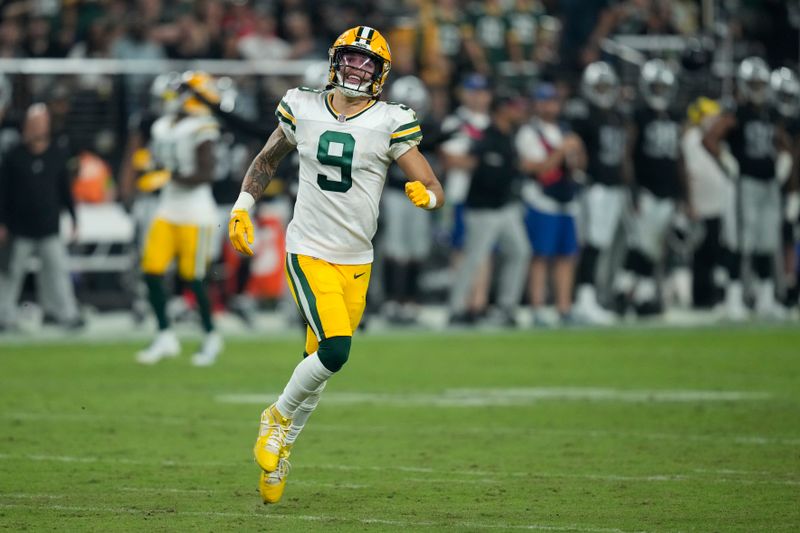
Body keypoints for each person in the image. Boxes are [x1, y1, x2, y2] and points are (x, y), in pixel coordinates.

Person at [227, 26, 444, 504]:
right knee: (337, 350)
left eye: (367, 62)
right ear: (335, 60)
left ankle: (283, 450)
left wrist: (425, 196)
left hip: (357, 259)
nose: (356, 68)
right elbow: (266, 160)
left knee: (318, 365)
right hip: (308, 249)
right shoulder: (301, 106)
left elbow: (431, 182)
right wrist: (243, 204)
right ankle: (277, 417)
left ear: (381, 73)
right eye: (351, 58)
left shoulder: (391, 120)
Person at [135, 71, 224, 366]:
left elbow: (206, 172)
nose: (166, 102)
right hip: (167, 208)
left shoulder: (203, 128)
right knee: (151, 270)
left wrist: (168, 175)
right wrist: (148, 166)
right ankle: (165, 335)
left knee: (193, 279)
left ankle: (211, 336)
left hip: (196, 214)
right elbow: (158, 163)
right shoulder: (161, 127)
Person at [447, 91, 531, 327]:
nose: (518, 110)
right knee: (474, 258)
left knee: (520, 251)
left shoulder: (511, 135)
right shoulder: (486, 137)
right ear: (502, 109)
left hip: (506, 208)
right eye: (514, 106)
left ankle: (506, 307)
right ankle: (456, 308)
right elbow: (470, 163)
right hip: (482, 209)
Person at [612, 59, 685, 317]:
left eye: (663, 87)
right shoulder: (639, 115)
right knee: (641, 243)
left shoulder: (676, 116)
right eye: (655, 87)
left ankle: (633, 292)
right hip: (645, 188)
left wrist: (683, 193)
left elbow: (679, 156)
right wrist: (631, 187)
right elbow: (627, 153)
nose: (660, 92)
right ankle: (627, 292)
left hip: (667, 189)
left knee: (653, 246)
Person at [0, 104, 83, 331]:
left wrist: (74, 218)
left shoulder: (57, 153)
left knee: (57, 273)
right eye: (33, 122)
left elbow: (65, 190)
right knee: (10, 274)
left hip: (49, 226)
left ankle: (65, 314)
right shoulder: (14, 155)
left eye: (41, 122)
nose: (37, 127)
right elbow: (3, 191)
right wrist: (2, 223)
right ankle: (3, 317)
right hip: (19, 228)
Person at [726, 57, 790, 320]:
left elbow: (783, 142)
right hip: (747, 183)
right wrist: (727, 163)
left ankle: (765, 299)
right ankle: (733, 298)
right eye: (753, 82)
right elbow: (712, 137)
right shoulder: (738, 111)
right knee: (742, 242)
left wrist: (784, 161)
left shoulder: (771, 112)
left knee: (766, 241)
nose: (757, 87)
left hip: (768, 183)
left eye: (760, 82)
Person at [517, 82, 585, 326]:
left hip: (567, 198)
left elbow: (578, 166)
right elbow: (539, 167)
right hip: (542, 200)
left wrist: (576, 152)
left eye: (553, 100)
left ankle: (564, 307)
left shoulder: (565, 129)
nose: (550, 106)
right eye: (545, 101)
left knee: (567, 256)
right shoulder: (529, 132)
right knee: (541, 256)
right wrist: (562, 149)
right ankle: (537, 307)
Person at [569, 61, 630, 324]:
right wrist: (581, 176)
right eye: (599, 86)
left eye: (607, 85)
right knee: (592, 244)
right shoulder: (584, 115)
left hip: (614, 186)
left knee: (603, 245)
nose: (604, 90)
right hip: (594, 187)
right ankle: (584, 300)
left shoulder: (616, 115)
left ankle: (593, 297)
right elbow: (574, 149)